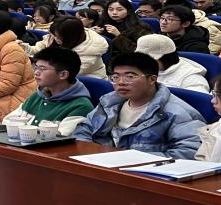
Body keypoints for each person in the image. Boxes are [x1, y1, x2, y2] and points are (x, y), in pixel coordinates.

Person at [73, 53, 206, 159]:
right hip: (103, 166)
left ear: (152, 79)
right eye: (115, 77)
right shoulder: (109, 102)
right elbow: (84, 130)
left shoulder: (177, 112)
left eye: (130, 76)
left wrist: (129, 160)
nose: (121, 82)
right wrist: (92, 154)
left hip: (148, 175)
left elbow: (190, 152)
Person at [11, 47, 94, 123]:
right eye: (36, 68)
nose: (36, 72)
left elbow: (62, 134)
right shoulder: (37, 96)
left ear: (63, 75)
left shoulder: (81, 106)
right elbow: (8, 122)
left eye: (42, 69)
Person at [135, 33, 209, 92]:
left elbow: (198, 103)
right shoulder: (140, 69)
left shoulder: (191, 79)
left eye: (147, 59)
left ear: (164, 58)